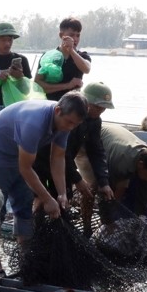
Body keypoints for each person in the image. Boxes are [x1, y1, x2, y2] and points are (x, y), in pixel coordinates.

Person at [0, 91, 89, 276]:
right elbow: (25, 169)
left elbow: (58, 158)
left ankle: (25, 258)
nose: (71, 128)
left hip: (20, 156)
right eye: (69, 122)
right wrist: (47, 199)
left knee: (24, 208)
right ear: (58, 111)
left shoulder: (64, 124)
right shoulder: (34, 122)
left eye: (76, 125)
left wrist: (61, 194)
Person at [37, 82, 115, 233]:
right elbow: (61, 153)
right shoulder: (69, 117)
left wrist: (103, 181)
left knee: (63, 198)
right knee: (41, 196)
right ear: (86, 103)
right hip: (44, 158)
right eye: (98, 107)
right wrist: (77, 179)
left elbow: (96, 150)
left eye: (104, 108)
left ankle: (62, 231)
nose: (101, 111)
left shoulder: (94, 121)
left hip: (64, 162)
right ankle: (37, 229)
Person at [101, 123, 147, 217]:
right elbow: (110, 192)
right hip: (92, 139)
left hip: (119, 142)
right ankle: (87, 228)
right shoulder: (121, 161)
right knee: (94, 188)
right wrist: (109, 217)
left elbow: (146, 195)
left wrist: (142, 216)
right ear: (141, 165)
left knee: (123, 186)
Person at [34, 17, 92, 101]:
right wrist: (67, 85)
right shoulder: (49, 56)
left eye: (78, 35)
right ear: (61, 35)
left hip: (73, 106)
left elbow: (87, 69)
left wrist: (71, 50)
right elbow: (38, 85)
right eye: (71, 35)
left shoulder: (82, 56)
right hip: (50, 104)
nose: (75, 39)